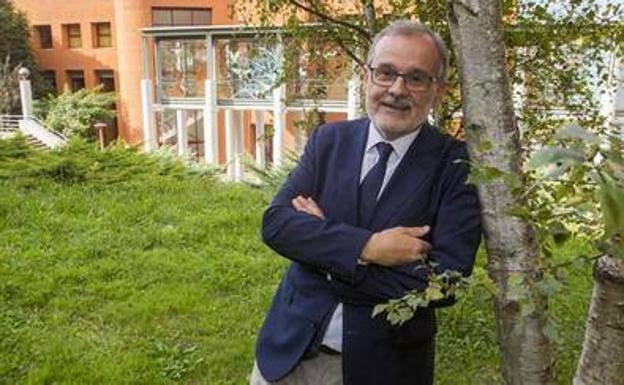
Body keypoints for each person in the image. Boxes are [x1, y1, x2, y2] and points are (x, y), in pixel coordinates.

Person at [250, 20, 482, 385]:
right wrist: (369, 247)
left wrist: (323, 253)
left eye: (416, 78)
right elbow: (277, 224)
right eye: (386, 73)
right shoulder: (329, 140)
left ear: (438, 90)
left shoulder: (455, 165)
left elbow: (445, 281)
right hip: (288, 354)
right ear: (367, 75)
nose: (397, 89)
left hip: (384, 368)